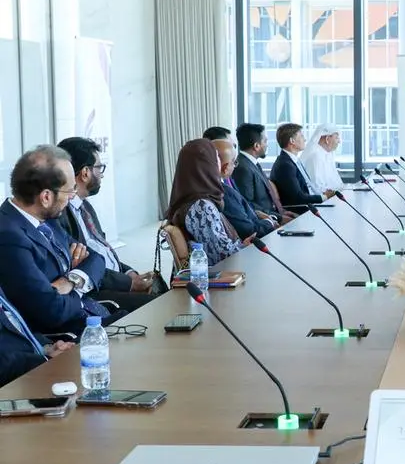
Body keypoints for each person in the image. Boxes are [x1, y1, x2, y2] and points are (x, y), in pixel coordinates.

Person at [0, 145, 120, 335]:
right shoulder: (9, 237)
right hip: (68, 337)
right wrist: (79, 288)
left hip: (92, 316)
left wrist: (71, 280)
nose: (72, 197)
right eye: (69, 191)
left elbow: (96, 258)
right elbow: (52, 310)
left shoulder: (47, 220)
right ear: (46, 197)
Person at [55, 137, 157, 313]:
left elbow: (105, 251)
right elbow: (87, 263)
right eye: (99, 168)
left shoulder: (85, 207)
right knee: (157, 304)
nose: (101, 174)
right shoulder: (60, 215)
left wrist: (129, 273)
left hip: (116, 280)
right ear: (85, 173)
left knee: (161, 290)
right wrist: (129, 283)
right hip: (96, 291)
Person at [165, 139, 255, 266]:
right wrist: (245, 246)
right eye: (216, 156)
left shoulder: (188, 196)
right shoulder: (201, 207)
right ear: (206, 164)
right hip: (217, 274)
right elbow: (222, 256)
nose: (219, 161)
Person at [0, 286, 74, 387]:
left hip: (38, 366)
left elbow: (16, 324)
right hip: (16, 384)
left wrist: (46, 348)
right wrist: (44, 360)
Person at [212, 139, 277, 239]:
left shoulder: (221, 183)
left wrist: (259, 215)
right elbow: (249, 231)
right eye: (234, 162)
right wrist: (270, 222)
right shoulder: (224, 192)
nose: (235, 166)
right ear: (225, 168)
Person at [232, 123, 295, 224]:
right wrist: (279, 218)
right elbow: (248, 204)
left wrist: (282, 212)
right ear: (256, 146)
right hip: (265, 223)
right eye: (265, 141)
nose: (267, 144)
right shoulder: (243, 168)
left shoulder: (252, 163)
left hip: (275, 216)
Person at [270, 123, 332, 214]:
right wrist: (324, 197)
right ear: (292, 141)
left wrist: (322, 195)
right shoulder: (285, 165)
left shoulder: (293, 160)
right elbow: (298, 197)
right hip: (301, 210)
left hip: (310, 205)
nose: (305, 139)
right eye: (302, 136)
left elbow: (306, 188)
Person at [300, 123, 346, 194]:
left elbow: (337, 183)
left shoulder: (328, 154)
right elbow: (317, 188)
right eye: (337, 138)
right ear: (327, 139)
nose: (339, 141)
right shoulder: (315, 157)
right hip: (323, 199)